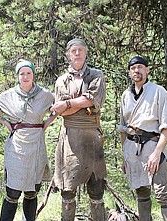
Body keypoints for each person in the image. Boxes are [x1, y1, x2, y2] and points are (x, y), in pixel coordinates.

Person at [0, 60, 56, 221]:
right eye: (22, 73)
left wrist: (47, 122)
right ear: (17, 76)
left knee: (32, 192)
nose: (25, 77)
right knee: (13, 192)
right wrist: (3, 120)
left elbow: (58, 106)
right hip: (16, 145)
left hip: (37, 144)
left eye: (28, 73)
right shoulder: (9, 95)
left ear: (33, 75)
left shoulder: (44, 95)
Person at [50, 38, 107, 221]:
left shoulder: (96, 75)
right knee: (68, 188)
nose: (77, 54)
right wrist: (83, 102)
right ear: (68, 54)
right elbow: (61, 111)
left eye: (80, 50)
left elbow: (93, 99)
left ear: (86, 53)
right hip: (69, 139)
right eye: (73, 51)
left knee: (96, 188)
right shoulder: (61, 81)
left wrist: (69, 103)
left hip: (92, 136)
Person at [118, 56, 167, 221]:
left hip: (153, 145)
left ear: (147, 70)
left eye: (140, 67)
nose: (136, 71)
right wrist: (125, 156)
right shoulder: (126, 95)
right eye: (133, 68)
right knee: (142, 193)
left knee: (163, 195)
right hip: (132, 148)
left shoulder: (158, 91)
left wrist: (157, 153)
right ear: (129, 72)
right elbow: (123, 128)